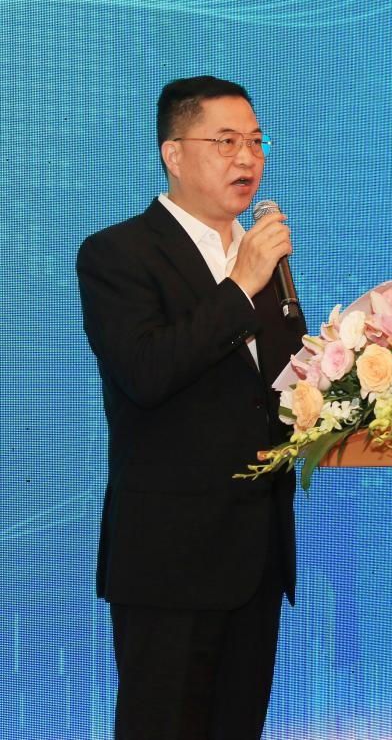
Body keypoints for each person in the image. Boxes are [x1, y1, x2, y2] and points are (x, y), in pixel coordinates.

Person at [76, 76, 306, 739]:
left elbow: (276, 387)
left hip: (257, 556)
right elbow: (146, 372)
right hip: (170, 563)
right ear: (173, 154)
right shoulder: (118, 254)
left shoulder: (263, 257)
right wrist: (240, 285)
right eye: (226, 142)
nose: (247, 158)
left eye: (256, 142)